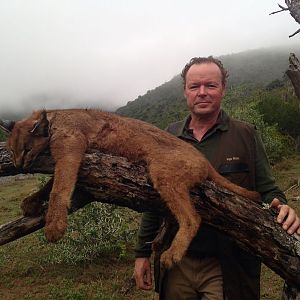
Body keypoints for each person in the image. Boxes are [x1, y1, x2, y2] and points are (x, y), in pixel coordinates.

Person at [133, 56, 300, 300]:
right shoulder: (167, 136)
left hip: (229, 263)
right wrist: (141, 253)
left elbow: (267, 189)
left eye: (210, 85)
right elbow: (154, 198)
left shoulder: (245, 134)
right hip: (178, 260)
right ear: (185, 92)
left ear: (223, 89)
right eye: (194, 86)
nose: (202, 93)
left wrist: (283, 206)